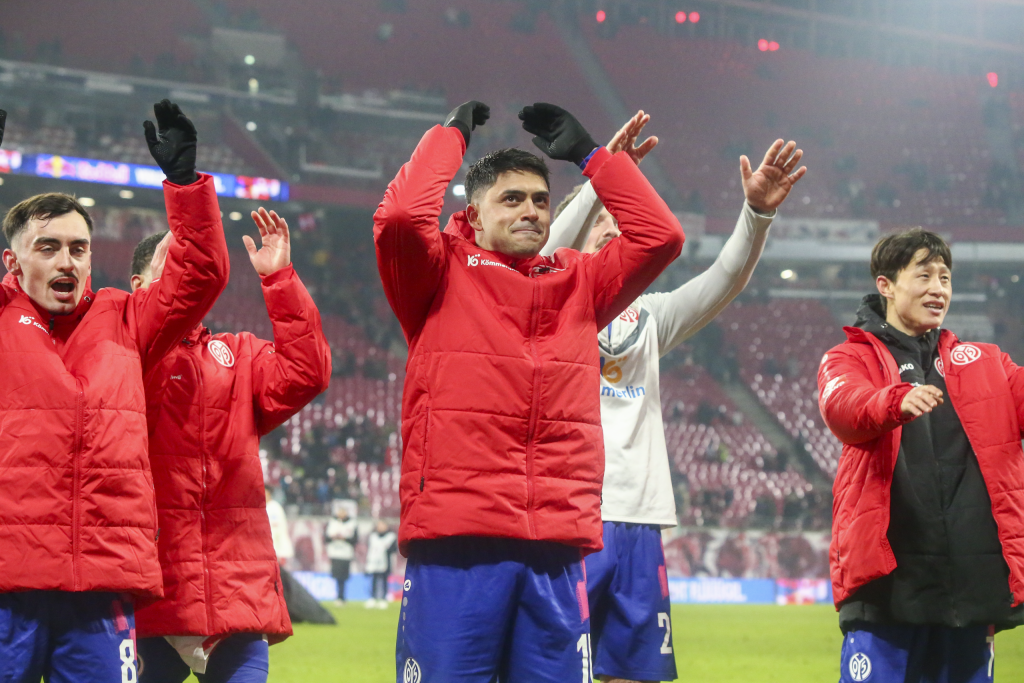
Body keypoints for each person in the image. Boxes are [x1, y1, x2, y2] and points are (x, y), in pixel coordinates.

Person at [375, 99, 684, 682]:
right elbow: (399, 219)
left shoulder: (579, 281)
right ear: (474, 213)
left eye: (541, 200)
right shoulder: (435, 273)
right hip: (459, 542)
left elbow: (660, 236)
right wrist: (449, 138)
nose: (531, 211)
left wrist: (592, 157)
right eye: (512, 199)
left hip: (555, 548)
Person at [545, 112, 806, 683]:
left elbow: (723, 281)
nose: (612, 228)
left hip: (638, 522)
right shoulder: (543, 306)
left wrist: (756, 214)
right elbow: (543, 253)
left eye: (617, 221)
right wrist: (599, 179)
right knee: (555, 671)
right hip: (567, 516)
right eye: (598, 220)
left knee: (634, 674)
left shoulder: (650, 316)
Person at [0, 99, 229, 682]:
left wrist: (186, 186)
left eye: (78, 248)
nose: (67, 260)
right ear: (12, 262)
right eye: (47, 247)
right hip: (7, 583)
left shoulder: (125, 318)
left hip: (101, 586)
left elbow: (200, 274)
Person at [131, 208, 331, 682]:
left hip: (235, 589)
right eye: (173, 267)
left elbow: (307, 373)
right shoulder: (122, 351)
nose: (186, 279)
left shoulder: (237, 353)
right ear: (139, 284)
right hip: (150, 590)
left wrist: (279, 280)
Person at [817, 228, 1024, 683]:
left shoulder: (988, 363)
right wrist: (893, 401)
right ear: (886, 285)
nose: (938, 288)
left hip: (969, 586)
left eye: (945, 278)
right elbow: (843, 407)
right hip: (888, 584)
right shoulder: (848, 358)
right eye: (924, 275)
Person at [326, 503, 359, 604]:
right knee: (336, 576)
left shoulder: (352, 523)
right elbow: (326, 538)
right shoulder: (332, 522)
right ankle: (338, 596)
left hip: (346, 554)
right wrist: (334, 537)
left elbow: (355, 539)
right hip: (334, 553)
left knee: (343, 577)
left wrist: (345, 538)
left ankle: (342, 597)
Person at [364, 520, 398, 609]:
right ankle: (373, 597)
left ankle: (383, 598)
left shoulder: (391, 537)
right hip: (374, 562)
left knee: (384, 580)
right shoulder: (373, 536)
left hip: (385, 562)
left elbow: (394, 550)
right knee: (374, 580)